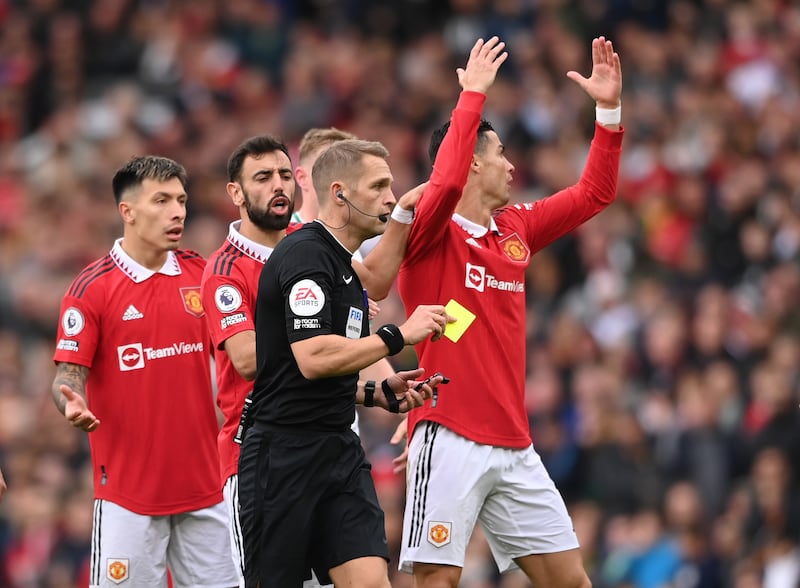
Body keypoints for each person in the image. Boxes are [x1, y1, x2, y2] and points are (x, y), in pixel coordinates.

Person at [396, 36, 624, 588]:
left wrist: (609, 111)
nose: (512, 165)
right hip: (448, 433)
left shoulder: (514, 229)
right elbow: (445, 182)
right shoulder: (431, 231)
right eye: (500, 156)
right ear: (473, 162)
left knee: (572, 580)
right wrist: (471, 96)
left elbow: (595, 192)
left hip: (514, 443)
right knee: (437, 581)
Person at [200, 134, 423, 587]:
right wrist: (323, 335)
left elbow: (376, 282)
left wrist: (370, 391)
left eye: (284, 174)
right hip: (263, 453)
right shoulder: (226, 271)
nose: (278, 186)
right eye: (263, 177)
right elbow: (250, 360)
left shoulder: (317, 248)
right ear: (236, 193)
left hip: (333, 440)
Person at [50, 156, 239, 588]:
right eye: (162, 200)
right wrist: (70, 402)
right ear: (127, 211)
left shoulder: (202, 274)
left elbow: (243, 353)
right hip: (128, 498)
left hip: (207, 491)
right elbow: (67, 376)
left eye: (181, 200)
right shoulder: (90, 289)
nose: (177, 212)